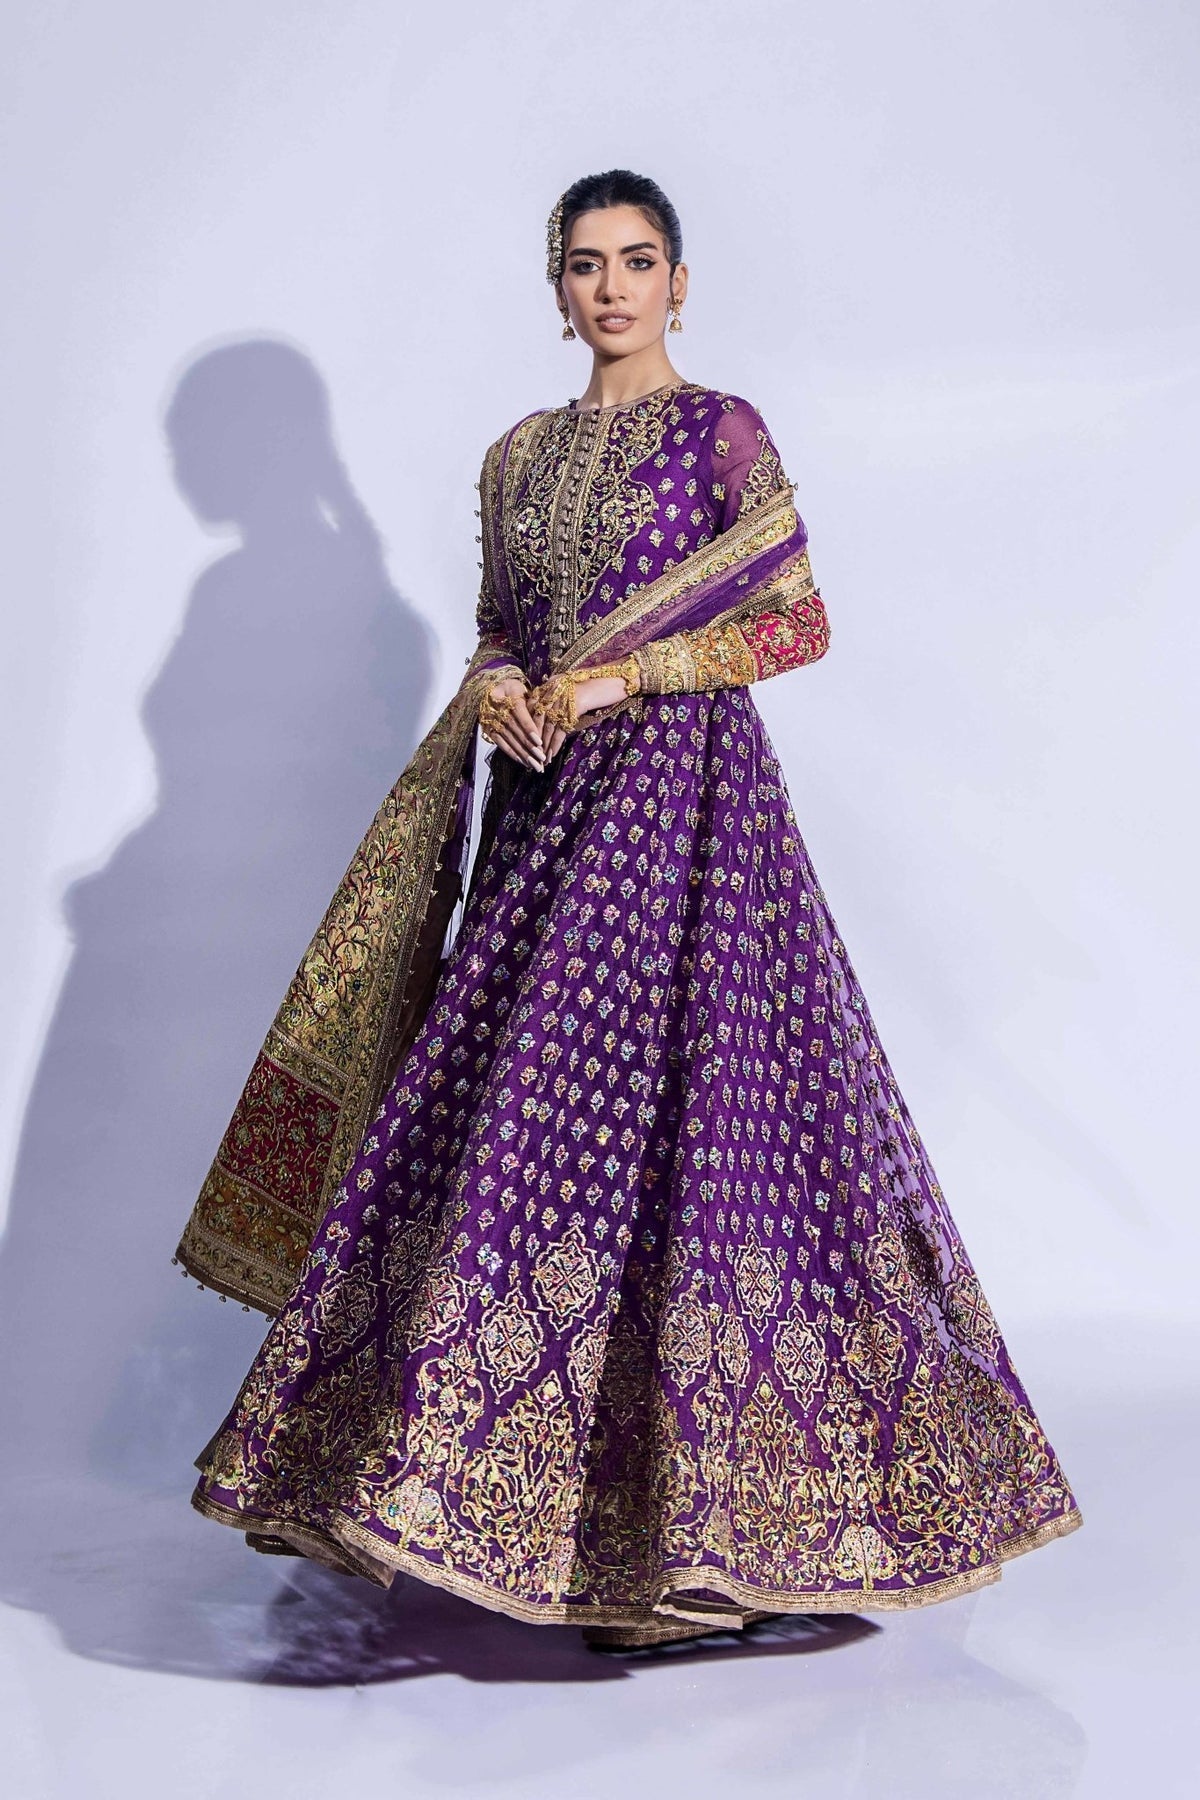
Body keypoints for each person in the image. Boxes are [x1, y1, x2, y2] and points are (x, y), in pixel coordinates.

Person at [176, 169, 1081, 1652]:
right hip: (547, 818)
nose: (612, 288)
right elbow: (499, 627)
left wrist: (623, 678)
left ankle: (692, 1546)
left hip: (687, 819)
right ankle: (475, 1495)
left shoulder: (723, 431)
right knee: (520, 1131)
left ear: (679, 280)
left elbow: (797, 619)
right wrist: (503, 692)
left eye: (638, 260)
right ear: (557, 291)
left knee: (697, 1134)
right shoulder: (516, 458)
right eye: (587, 265)